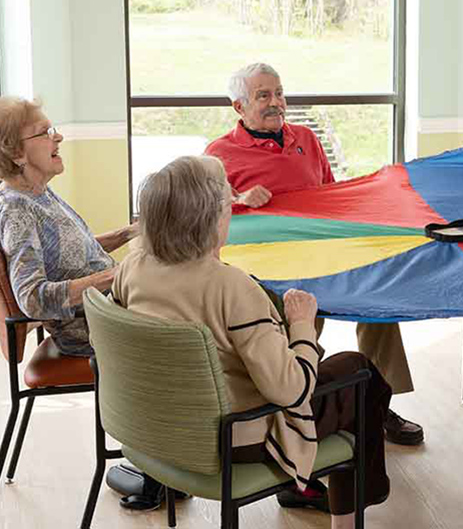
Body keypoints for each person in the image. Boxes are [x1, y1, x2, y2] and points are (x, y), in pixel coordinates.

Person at [111, 156, 391, 528]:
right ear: (211, 220)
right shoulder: (230, 287)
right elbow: (292, 391)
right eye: (228, 206)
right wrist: (302, 325)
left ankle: (318, 491)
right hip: (230, 437)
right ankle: (347, 513)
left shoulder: (133, 268)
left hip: (154, 428)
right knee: (361, 373)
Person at [204, 63, 423, 460]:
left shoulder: (305, 137)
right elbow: (201, 212)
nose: (276, 103)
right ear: (238, 105)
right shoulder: (219, 154)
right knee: (298, 321)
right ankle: (299, 407)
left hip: (324, 254)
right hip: (270, 269)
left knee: (378, 305)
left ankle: (380, 402)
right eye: (263, 96)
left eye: (279, 93)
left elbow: (330, 195)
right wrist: (238, 200)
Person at [0, 97, 137, 357]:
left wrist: (131, 231)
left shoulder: (38, 193)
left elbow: (71, 253)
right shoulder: (17, 211)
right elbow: (32, 298)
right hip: (92, 330)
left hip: (108, 311)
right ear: (16, 153)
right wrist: (117, 275)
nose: (59, 137)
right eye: (45, 132)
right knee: (196, 309)